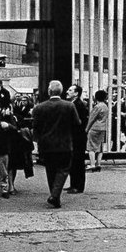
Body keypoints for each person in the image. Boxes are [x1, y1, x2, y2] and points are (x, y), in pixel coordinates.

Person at [32, 80, 80, 208]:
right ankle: (54, 195)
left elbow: (35, 127)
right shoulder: (69, 106)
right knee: (63, 169)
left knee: (50, 170)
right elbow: (77, 123)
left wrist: (37, 143)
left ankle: (55, 196)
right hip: (64, 144)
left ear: (49, 91)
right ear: (61, 91)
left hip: (47, 145)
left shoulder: (39, 107)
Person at [66, 84, 89, 193]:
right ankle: (73, 184)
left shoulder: (78, 105)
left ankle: (78, 186)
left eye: (70, 90)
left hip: (77, 138)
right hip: (76, 137)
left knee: (78, 162)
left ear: (76, 93)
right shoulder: (74, 104)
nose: (67, 91)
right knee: (74, 161)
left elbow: (79, 123)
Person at [85, 89, 110, 172]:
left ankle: (92, 164)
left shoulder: (97, 107)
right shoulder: (106, 106)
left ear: (96, 97)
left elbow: (92, 119)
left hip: (95, 128)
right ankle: (98, 164)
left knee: (91, 147)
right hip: (103, 128)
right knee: (100, 147)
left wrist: (87, 129)